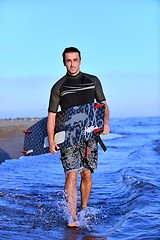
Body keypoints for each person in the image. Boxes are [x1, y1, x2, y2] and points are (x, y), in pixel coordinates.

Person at [47, 47, 110, 227]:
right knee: (71, 176)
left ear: (80, 60)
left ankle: (83, 208)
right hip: (68, 137)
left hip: (89, 135)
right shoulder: (59, 87)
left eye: (75, 60)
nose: (72, 64)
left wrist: (105, 123)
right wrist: (51, 140)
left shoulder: (92, 81)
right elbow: (52, 115)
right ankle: (73, 217)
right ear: (64, 62)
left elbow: (104, 105)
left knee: (87, 175)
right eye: (68, 60)